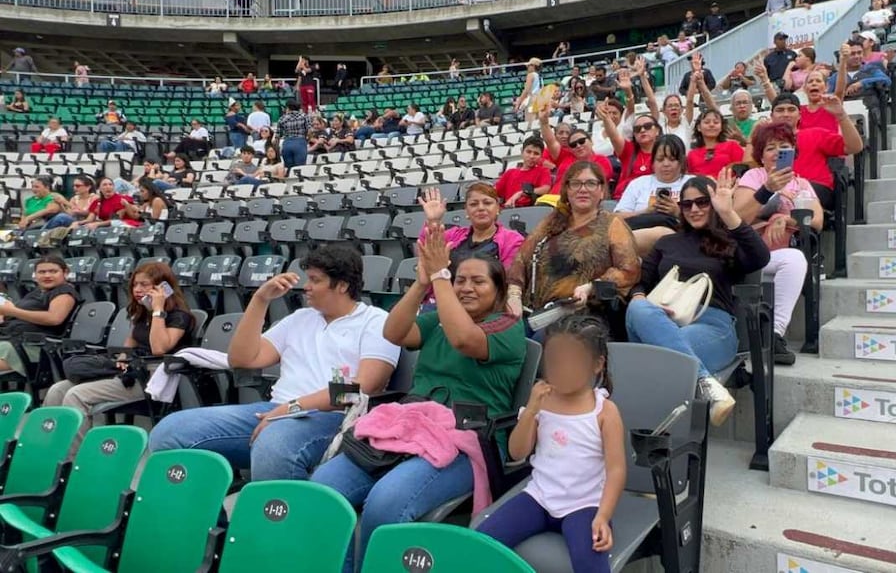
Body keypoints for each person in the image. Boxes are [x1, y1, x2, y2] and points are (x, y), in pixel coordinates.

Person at [311, 239, 526, 573]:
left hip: (467, 438)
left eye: (478, 281)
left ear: (498, 291)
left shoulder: (507, 326)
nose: (466, 287)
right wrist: (423, 282)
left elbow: (464, 339)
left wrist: (441, 276)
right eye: (460, 280)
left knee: (385, 503)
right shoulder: (438, 318)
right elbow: (394, 333)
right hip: (409, 426)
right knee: (323, 488)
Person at [150, 246, 401, 481]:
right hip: (275, 410)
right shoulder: (300, 318)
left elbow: (360, 389)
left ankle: (280, 515)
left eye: (315, 280)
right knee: (170, 431)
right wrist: (260, 301)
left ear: (342, 285)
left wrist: (291, 408)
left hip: (333, 418)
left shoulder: (376, 321)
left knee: (273, 446)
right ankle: (209, 513)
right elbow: (242, 359)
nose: (306, 287)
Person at [476, 314, 625, 573]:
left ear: (596, 364)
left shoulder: (604, 411)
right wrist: (531, 410)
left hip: (584, 504)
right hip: (539, 497)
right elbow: (517, 452)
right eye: (555, 361)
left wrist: (603, 515)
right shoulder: (542, 401)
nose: (562, 369)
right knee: (482, 542)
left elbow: (616, 469)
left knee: (590, 562)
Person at [625, 170, 770, 426]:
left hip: (711, 323)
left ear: (713, 204)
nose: (694, 209)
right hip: (663, 320)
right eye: (687, 204)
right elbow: (640, 282)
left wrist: (728, 213)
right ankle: (705, 384)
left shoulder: (728, 241)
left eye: (702, 202)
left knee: (661, 356)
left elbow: (760, 258)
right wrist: (639, 296)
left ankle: (654, 435)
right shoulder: (667, 242)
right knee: (638, 309)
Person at [44, 262, 195, 449]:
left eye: (144, 284)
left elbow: (159, 348)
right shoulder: (142, 313)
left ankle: (73, 457)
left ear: (163, 287)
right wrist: (122, 358)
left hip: (152, 377)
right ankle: (50, 447)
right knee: (57, 389)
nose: (137, 289)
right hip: (129, 372)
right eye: (135, 284)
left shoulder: (179, 316)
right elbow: (129, 344)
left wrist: (158, 310)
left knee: (76, 395)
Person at [734, 122, 823, 365]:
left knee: (795, 259)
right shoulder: (753, 177)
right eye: (770, 148)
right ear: (761, 155)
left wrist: (786, 219)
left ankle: (773, 334)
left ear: (793, 152)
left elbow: (817, 221)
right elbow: (737, 217)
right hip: (750, 253)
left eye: (784, 147)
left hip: (780, 254)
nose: (776, 153)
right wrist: (768, 190)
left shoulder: (801, 184)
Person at [507, 162, 640, 318]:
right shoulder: (550, 222)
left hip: (584, 314)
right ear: (567, 190)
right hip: (533, 313)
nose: (583, 189)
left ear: (602, 191)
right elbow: (521, 259)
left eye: (590, 183)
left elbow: (629, 270)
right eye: (576, 183)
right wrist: (514, 295)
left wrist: (591, 287)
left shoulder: (613, 224)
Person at [762, 93, 863, 210]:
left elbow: (855, 147)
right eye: (780, 110)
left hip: (815, 192)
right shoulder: (764, 142)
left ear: (799, 115)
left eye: (791, 110)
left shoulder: (816, 134)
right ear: (771, 116)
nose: (786, 114)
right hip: (776, 191)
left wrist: (841, 116)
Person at [0, 256, 80, 376]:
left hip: (32, 347)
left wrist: (12, 311)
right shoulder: (37, 292)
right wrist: (5, 315)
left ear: (65, 273)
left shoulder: (64, 293)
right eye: (42, 272)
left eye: (53, 271)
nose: (47, 275)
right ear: (35, 275)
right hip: (11, 337)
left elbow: (54, 318)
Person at [614, 134, 693, 252]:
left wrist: (677, 212)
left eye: (672, 159)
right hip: (638, 236)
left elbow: (705, 218)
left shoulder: (691, 183)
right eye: (660, 159)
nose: (666, 164)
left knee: (663, 233)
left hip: (678, 240)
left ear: (681, 161)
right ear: (652, 162)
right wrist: (645, 212)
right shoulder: (638, 183)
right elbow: (617, 217)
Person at [545, 122, 614, 197]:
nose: (578, 146)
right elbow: (550, 142)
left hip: (580, 198)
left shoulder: (601, 160)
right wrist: (544, 122)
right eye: (573, 145)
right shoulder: (566, 157)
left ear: (591, 141)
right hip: (552, 198)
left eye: (581, 141)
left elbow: (597, 182)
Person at [496, 137, 553, 208]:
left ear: (541, 156)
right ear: (522, 152)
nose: (531, 156)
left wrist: (521, 193)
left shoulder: (543, 171)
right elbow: (495, 192)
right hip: (508, 209)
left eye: (536, 153)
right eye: (528, 152)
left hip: (530, 209)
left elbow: (545, 189)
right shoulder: (510, 173)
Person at [687, 109, 745, 178]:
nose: (711, 125)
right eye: (707, 122)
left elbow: (742, 170)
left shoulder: (732, 146)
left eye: (716, 122)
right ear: (699, 127)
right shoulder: (691, 154)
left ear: (721, 127)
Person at [71, 177, 142, 230]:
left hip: (123, 224)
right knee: (81, 227)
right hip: (106, 226)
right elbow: (90, 219)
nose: (108, 187)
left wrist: (97, 224)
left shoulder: (122, 199)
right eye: (104, 185)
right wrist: (78, 223)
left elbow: (115, 220)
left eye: (110, 184)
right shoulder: (97, 201)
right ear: (99, 189)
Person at [276, 99, 311, 168]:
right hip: (300, 142)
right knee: (300, 168)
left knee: (288, 168)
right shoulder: (304, 116)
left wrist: (277, 148)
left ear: (288, 108)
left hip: (287, 143)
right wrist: (307, 140)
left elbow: (277, 136)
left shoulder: (282, 118)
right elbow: (310, 131)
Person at [513, 58, 544, 123]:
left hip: (532, 100)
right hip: (541, 100)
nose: (527, 67)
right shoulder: (540, 77)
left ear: (533, 66)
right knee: (538, 123)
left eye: (529, 65)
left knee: (530, 123)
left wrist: (518, 103)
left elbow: (526, 91)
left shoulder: (530, 75)